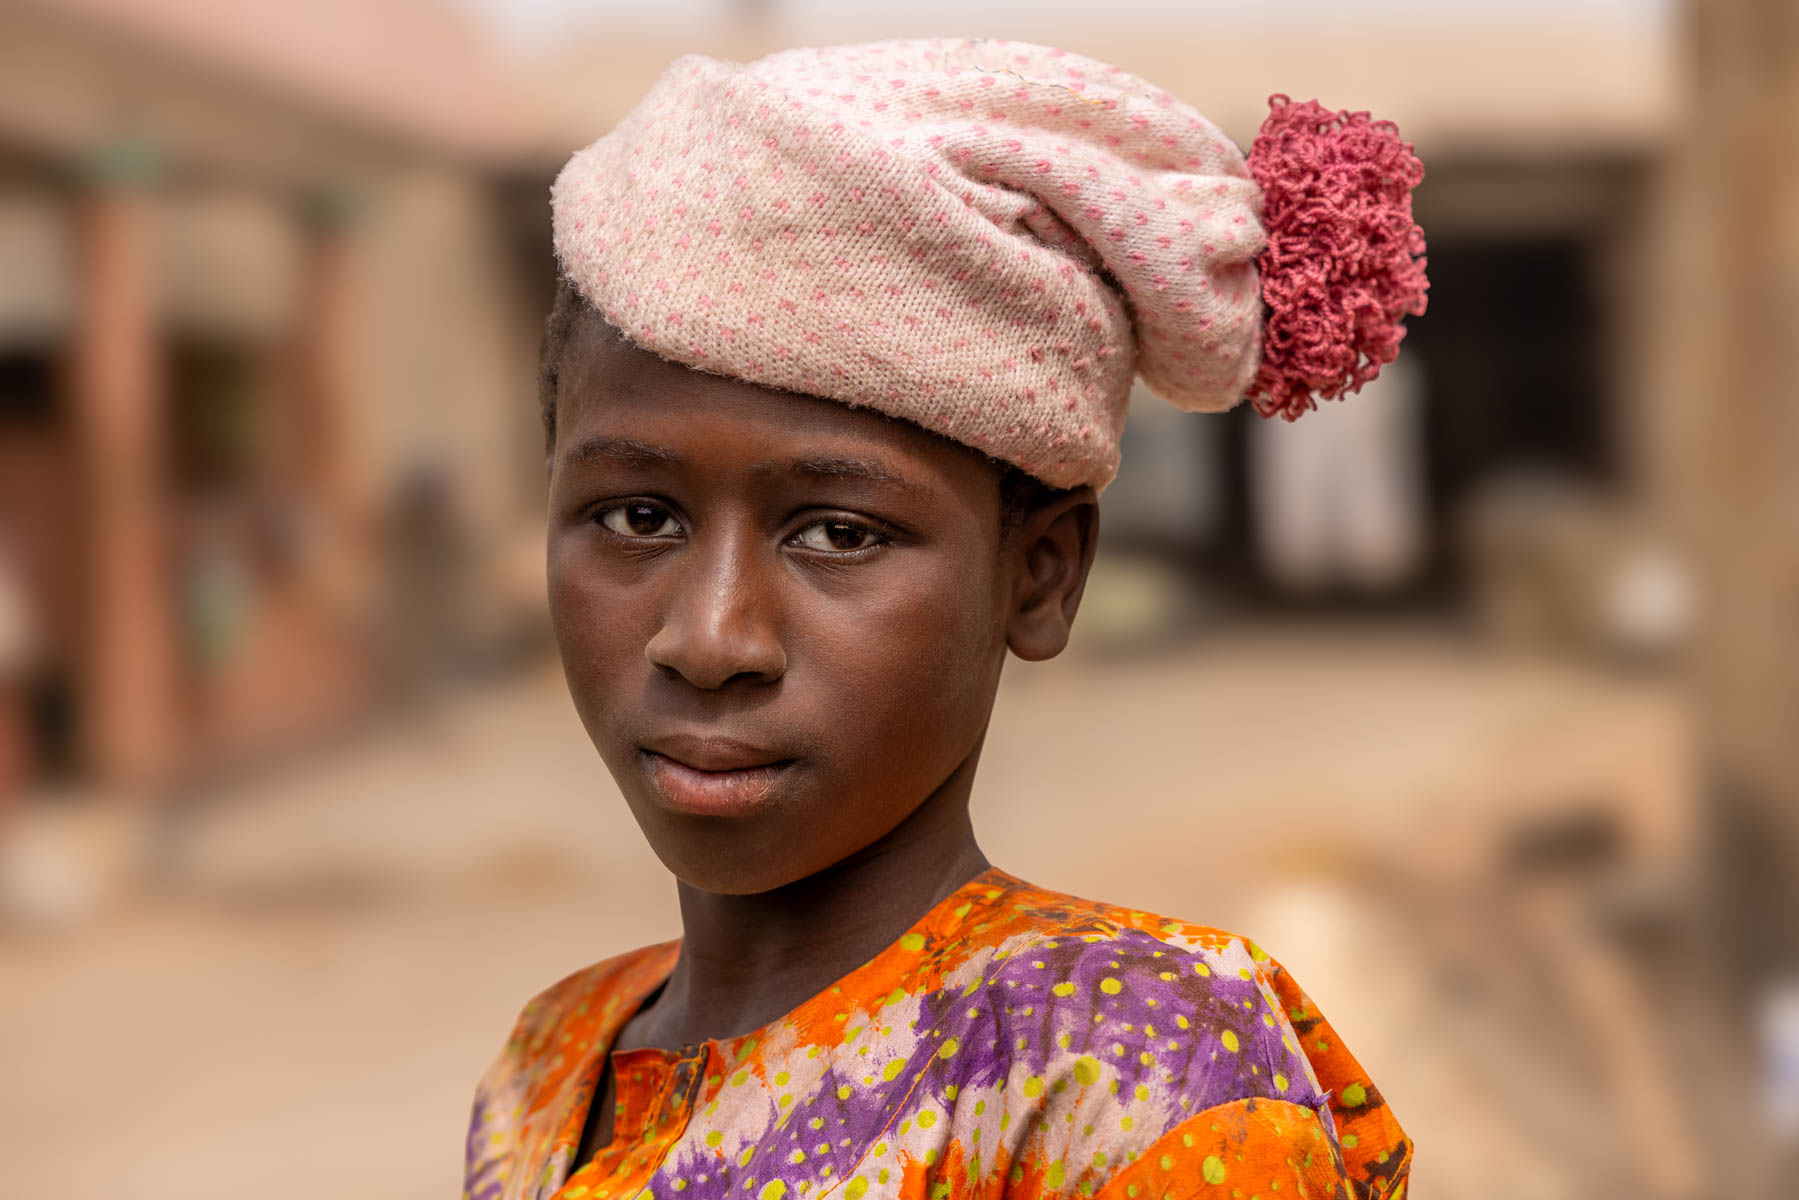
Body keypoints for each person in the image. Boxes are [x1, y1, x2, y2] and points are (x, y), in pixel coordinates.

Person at [465, 39, 1426, 1200]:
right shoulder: (547, 1066)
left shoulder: (1130, 1080)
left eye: (836, 534)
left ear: (1039, 575)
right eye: (635, 516)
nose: (708, 639)